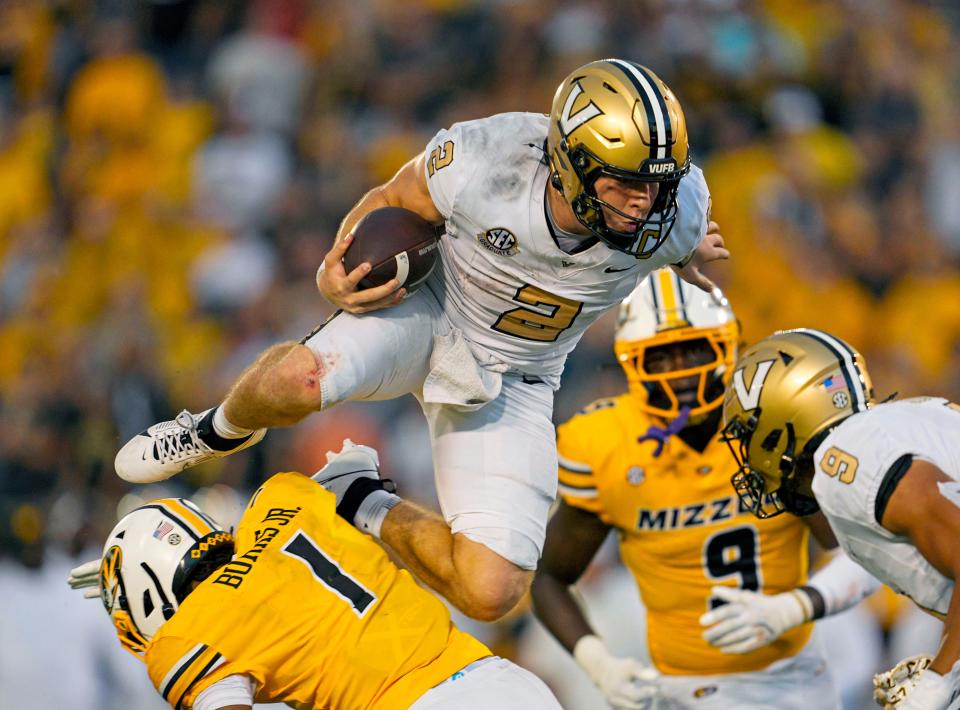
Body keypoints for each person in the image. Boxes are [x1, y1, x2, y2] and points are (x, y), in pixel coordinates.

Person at [114, 59, 729, 621]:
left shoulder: (676, 213)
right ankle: (212, 430)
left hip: (516, 378)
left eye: (657, 183)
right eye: (624, 183)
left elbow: (676, 227)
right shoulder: (484, 159)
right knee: (293, 381)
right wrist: (338, 263)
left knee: (491, 592)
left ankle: (357, 497)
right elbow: (391, 199)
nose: (643, 202)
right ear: (569, 165)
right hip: (430, 312)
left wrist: (688, 252)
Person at [530, 270, 878, 709]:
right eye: (660, 357)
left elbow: (863, 551)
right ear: (632, 361)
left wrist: (795, 607)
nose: (680, 374)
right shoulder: (604, 443)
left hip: (789, 682)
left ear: (727, 344)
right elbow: (548, 578)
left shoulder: (769, 424)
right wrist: (597, 661)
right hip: (679, 691)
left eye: (693, 350)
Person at [68, 443, 563, 710]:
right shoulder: (283, 499)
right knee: (359, 506)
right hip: (505, 683)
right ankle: (367, 500)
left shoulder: (186, 632)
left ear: (147, 586)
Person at [721, 328, 960, 710]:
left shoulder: (845, 463)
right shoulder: (881, 434)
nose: (747, 457)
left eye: (747, 434)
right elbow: (869, 552)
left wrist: (937, 682)